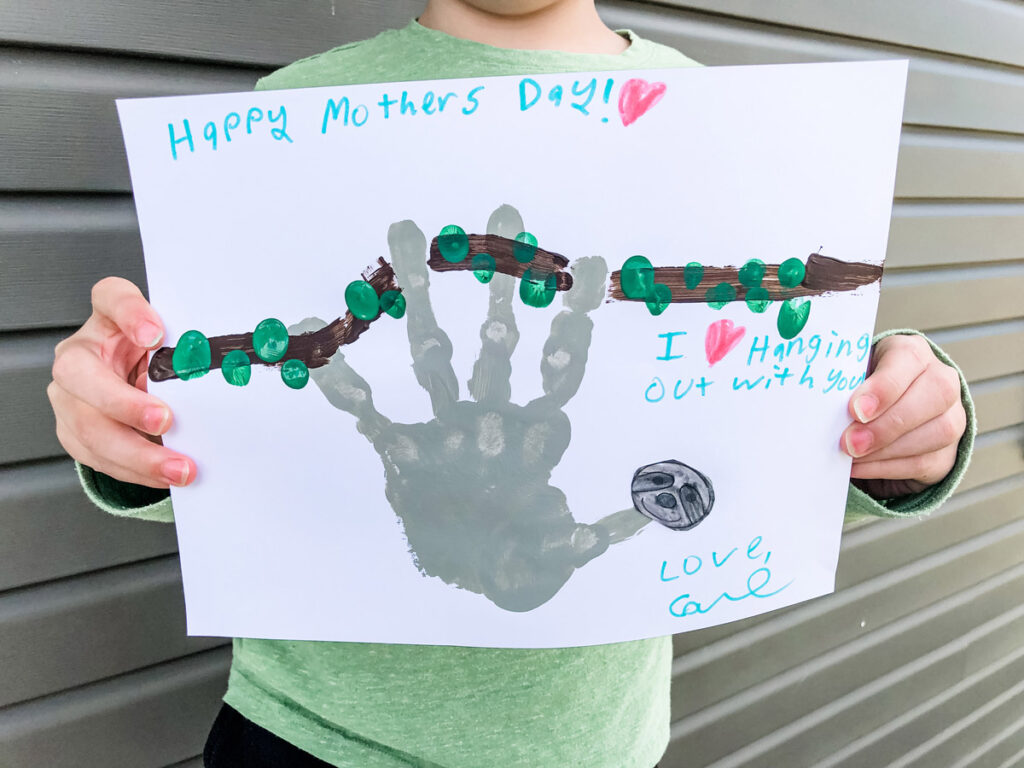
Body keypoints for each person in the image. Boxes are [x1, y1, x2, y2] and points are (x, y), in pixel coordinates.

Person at [47, 1, 975, 766]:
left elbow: (760, 463)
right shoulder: (282, 117)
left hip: (599, 749)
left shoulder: (724, 128)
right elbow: (224, 445)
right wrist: (127, 421)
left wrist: (897, 437)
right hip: (306, 739)